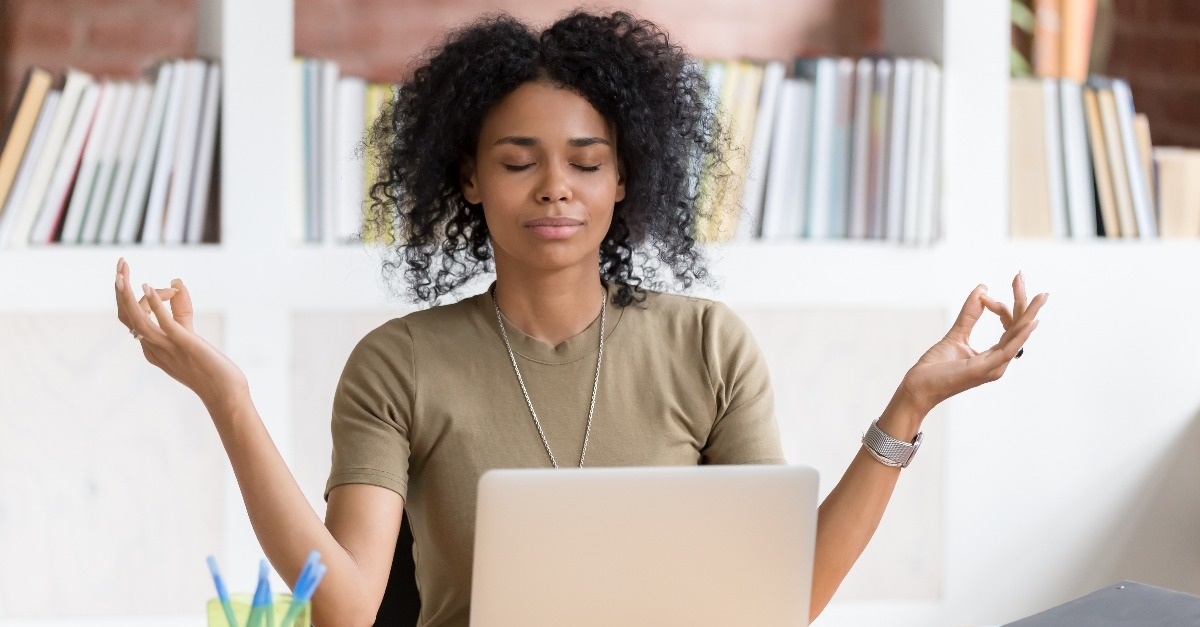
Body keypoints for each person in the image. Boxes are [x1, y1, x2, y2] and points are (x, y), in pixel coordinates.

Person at [113, 10, 1046, 627]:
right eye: (518, 161)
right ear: (468, 179)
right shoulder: (398, 364)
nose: (555, 186)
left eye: (586, 161)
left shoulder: (708, 345)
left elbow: (784, 597)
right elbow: (348, 606)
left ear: (626, 176)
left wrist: (907, 408)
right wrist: (228, 398)